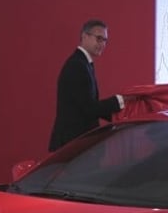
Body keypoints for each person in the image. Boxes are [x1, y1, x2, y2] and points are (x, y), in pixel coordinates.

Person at [48, 19, 126, 151]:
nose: (102, 44)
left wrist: (120, 116)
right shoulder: (77, 65)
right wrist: (120, 101)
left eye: (105, 40)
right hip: (71, 146)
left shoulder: (83, 63)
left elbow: (87, 106)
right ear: (84, 36)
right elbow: (89, 108)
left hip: (77, 145)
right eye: (99, 38)